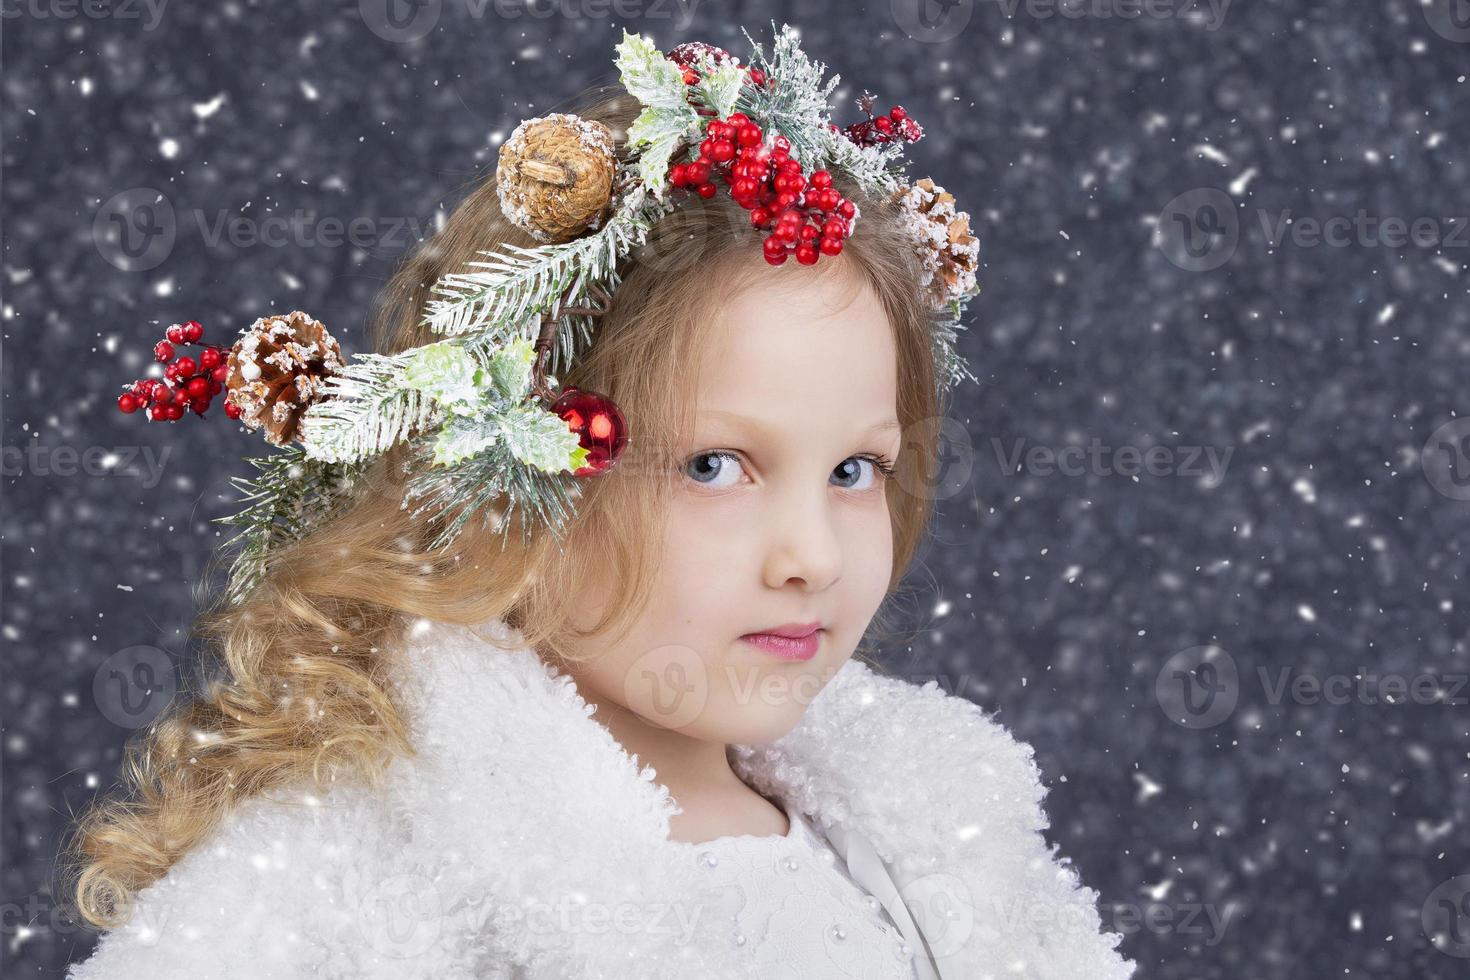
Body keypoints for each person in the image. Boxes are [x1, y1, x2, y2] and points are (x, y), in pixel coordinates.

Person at [63, 26, 1135, 980]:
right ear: (514, 474)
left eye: (854, 470)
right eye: (715, 465)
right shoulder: (364, 882)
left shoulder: (939, 845)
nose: (811, 553)